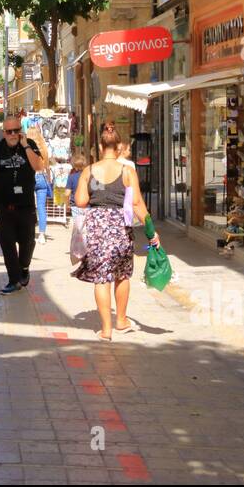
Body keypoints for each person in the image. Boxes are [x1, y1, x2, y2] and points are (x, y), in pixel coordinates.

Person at [74, 124, 159, 339]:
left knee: (101, 279)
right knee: (121, 275)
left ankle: (105, 329)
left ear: (100, 147)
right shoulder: (127, 171)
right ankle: (121, 320)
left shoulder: (89, 171)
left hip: (97, 229)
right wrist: (151, 232)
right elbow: (139, 204)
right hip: (121, 228)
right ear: (119, 147)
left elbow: (81, 202)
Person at [0, 115, 45, 293]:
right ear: (3, 132)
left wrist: (26, 145)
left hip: (26, 204)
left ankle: (24, 268)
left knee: (27, 242)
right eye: (9, 131)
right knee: (7, 244)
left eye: (16, 131)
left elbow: (39, 166)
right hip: (4, 205)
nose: (13, 134)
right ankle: (14, 280)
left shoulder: (30, 146)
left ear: (20, 131)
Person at [28, 122, 53, 244]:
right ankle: (42, 235)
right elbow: (47, 166)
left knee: (28, 207)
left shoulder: (26, 148)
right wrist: (49, 179)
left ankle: (29, 232)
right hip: (42, 177)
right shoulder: (43, 147)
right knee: (41, 207)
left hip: (29, 178)